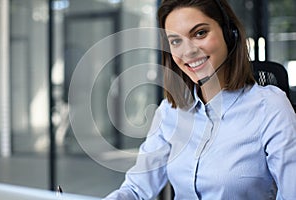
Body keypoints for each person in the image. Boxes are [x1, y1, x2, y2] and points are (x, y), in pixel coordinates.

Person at [104, 0, 296, 199]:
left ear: (229, 33)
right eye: (176, 41)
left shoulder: (270, 107)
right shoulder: (170, 111)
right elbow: (136, 190)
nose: (188, 51)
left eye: (200, 33)